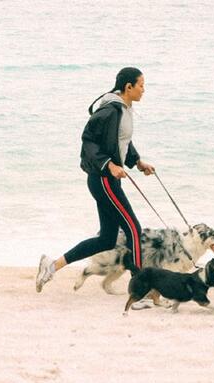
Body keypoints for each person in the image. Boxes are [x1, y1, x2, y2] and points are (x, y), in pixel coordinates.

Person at [36, 67, 155, 293]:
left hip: (107, 180)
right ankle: (141, 290)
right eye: (141, 85)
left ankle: (50, 266)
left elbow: (122, 141)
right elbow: (88, 141)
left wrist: (138, 162)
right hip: (103, 179)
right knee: (133, 228)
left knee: (107, 240)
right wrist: (109, 165)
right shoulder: (110, 110)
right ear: (128, 87)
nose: (144, 89)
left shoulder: (125, 109)